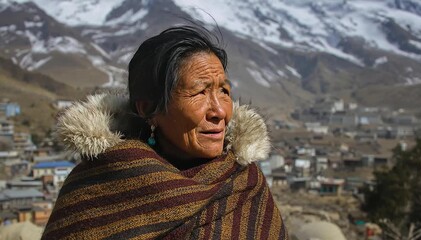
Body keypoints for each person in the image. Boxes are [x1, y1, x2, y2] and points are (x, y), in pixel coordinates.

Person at [42, 26, 287, 239]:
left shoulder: (245, 186)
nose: (220, 111)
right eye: (200, 92)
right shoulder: (95, 188)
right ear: (149, 109)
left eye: (224, 91)